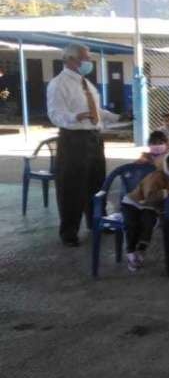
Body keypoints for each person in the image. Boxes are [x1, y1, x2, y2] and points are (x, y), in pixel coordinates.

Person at [47, 42, 122, 246]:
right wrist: (75, 117)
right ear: (72, 59)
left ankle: (96, 221)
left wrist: (117, 117)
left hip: (93, 138)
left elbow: (96, 110)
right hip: (74, 140)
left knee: (97, 183)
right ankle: (69, 232)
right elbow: (55, 114)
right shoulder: (59, 84)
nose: (90, 62)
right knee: (72, 186)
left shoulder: (85, 83)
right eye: (86, 58)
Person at [121, 153, 169, 272]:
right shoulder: (156, 176)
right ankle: (131, 252)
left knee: (148, 224)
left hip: (150, 207)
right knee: (132, 224)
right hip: (132, 203)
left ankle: (141, 250)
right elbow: (150, 197)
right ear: (166, 166)